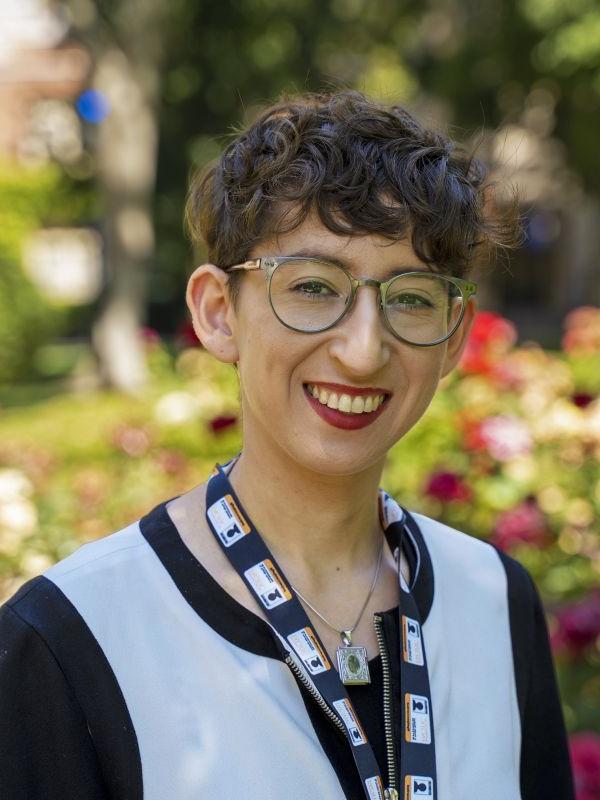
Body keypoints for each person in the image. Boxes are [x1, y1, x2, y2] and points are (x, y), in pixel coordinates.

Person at [0, 91, 575, 800]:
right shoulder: (73, 637)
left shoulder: (496, 601)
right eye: (311, 286)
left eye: (412, 297)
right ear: (218, 314)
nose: (364, 351)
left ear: (454, 337)